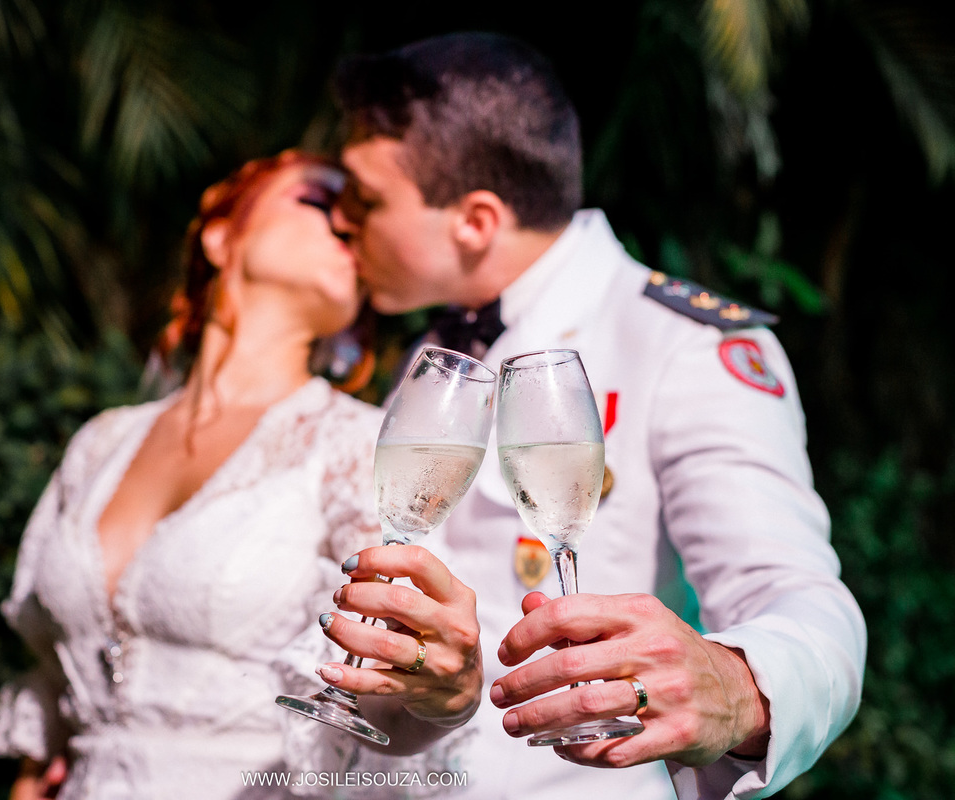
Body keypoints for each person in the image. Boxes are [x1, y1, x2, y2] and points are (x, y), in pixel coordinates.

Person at [313, 32, 866, 800]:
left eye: (365, 200)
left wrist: (740, 688)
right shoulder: (434, 351)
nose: (342, 220)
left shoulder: (683, 345)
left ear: (475, 221)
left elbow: (800, 599)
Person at [0, 150, 482, 799]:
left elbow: (387, 694)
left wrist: (444, 699)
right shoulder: (102, 443)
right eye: (316, 199)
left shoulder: (360, 446)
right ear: (221, 236)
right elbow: (52, 681)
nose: (345, 220)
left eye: (359, 216)